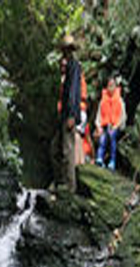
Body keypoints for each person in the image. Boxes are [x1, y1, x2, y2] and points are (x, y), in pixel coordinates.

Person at [58, 33, 82, 192]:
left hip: (69, 114)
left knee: (68, 150)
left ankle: (70, 187)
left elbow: (73, 92)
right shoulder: (69, 67)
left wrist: (72, 115)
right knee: (57, 148)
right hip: (65, 114)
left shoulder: (74, 67)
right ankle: (62, 181)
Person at [94, 76, 126, 170]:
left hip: (115, 126)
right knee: (102, 138)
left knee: (112, 136)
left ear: (116, 87)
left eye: (113, 86)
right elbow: (98, 118)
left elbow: (123, 117)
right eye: (109, 86)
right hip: (105, 126)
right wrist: (98, 127)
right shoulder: (102, 101)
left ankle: (112, 161)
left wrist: (116, 126)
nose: (111, 88)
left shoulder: (120, 101)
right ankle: (99, 158)